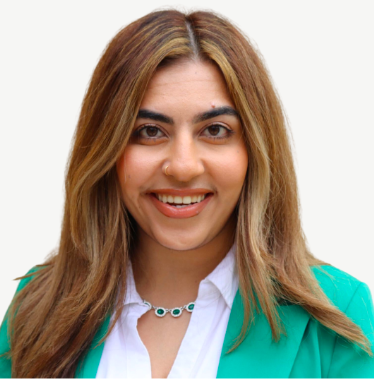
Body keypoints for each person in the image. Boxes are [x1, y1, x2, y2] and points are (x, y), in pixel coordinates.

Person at [0, 9, 373, 378]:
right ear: (105, 148)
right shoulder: (36, 309)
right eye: (149, 131)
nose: (182, 167)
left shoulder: (337, 319)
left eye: (214, 130)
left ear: (256, 149)